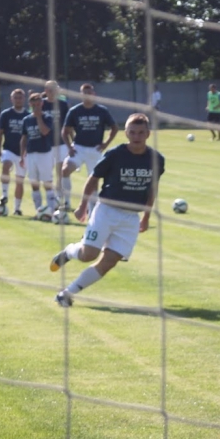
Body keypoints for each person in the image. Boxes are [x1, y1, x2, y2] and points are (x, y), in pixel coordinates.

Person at [49, 113, 164, 308]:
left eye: (141, 132)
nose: (136, 136)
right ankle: (69, 251)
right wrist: (83, 206)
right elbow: (93, 179)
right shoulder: (115, 154)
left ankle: (67, 293)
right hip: (106, 211)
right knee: (88, 255)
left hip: (130, 218)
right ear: (126, 133)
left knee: (109, 262)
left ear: (148, 134)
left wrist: (146, 217)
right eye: (132, 132)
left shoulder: (156, 159)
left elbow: (152, 188)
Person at [60, 83, 118, 212]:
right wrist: (69, 147)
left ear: (94, 94)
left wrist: (105, 144)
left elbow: (114, 128)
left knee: (94, 180)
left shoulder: (101, 110)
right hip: (78, 148)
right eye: (84, 93)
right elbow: (65, 131)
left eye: (89, 92)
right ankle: (67, 202)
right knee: (65, 170)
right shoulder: (75, 111)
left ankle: (92, 211)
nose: (87, 95)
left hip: (95, 150)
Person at [21, 92, 58, 216]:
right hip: (31, 154)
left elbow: (45, 131)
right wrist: (22, 155)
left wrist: (38, 117)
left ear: (42, 104)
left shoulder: (47, 117)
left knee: (47, 182)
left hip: (45, 153)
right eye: (33, 104)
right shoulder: (26, 119)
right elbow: (24, 138)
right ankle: (39, 211)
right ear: (30, 104)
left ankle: (51, 210)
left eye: (38, 104)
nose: (36, 106)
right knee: (34, 183)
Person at [0, 88, 30, 216]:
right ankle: (4, 196)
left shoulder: (28, 115)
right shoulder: (6, 114)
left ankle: (17, 208)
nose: (18, 100)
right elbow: (0, 133)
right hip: (8, 149)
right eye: (15, 97)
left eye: (20, 97)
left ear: (24, 99)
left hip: (23, 153)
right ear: (11, 99)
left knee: (19, 181)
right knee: (6, 166)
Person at [41, 80, 70, 208]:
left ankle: (63, 200)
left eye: (55, 89)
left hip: (61, 143)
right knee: (47, 174)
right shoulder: (41, 105)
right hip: (46, 144)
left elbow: (68, 124)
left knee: (61, 172)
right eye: (50, 89)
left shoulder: (63, 105)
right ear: (46, 91)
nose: (53, 91)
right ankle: (51, 200)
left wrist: (72, 141)